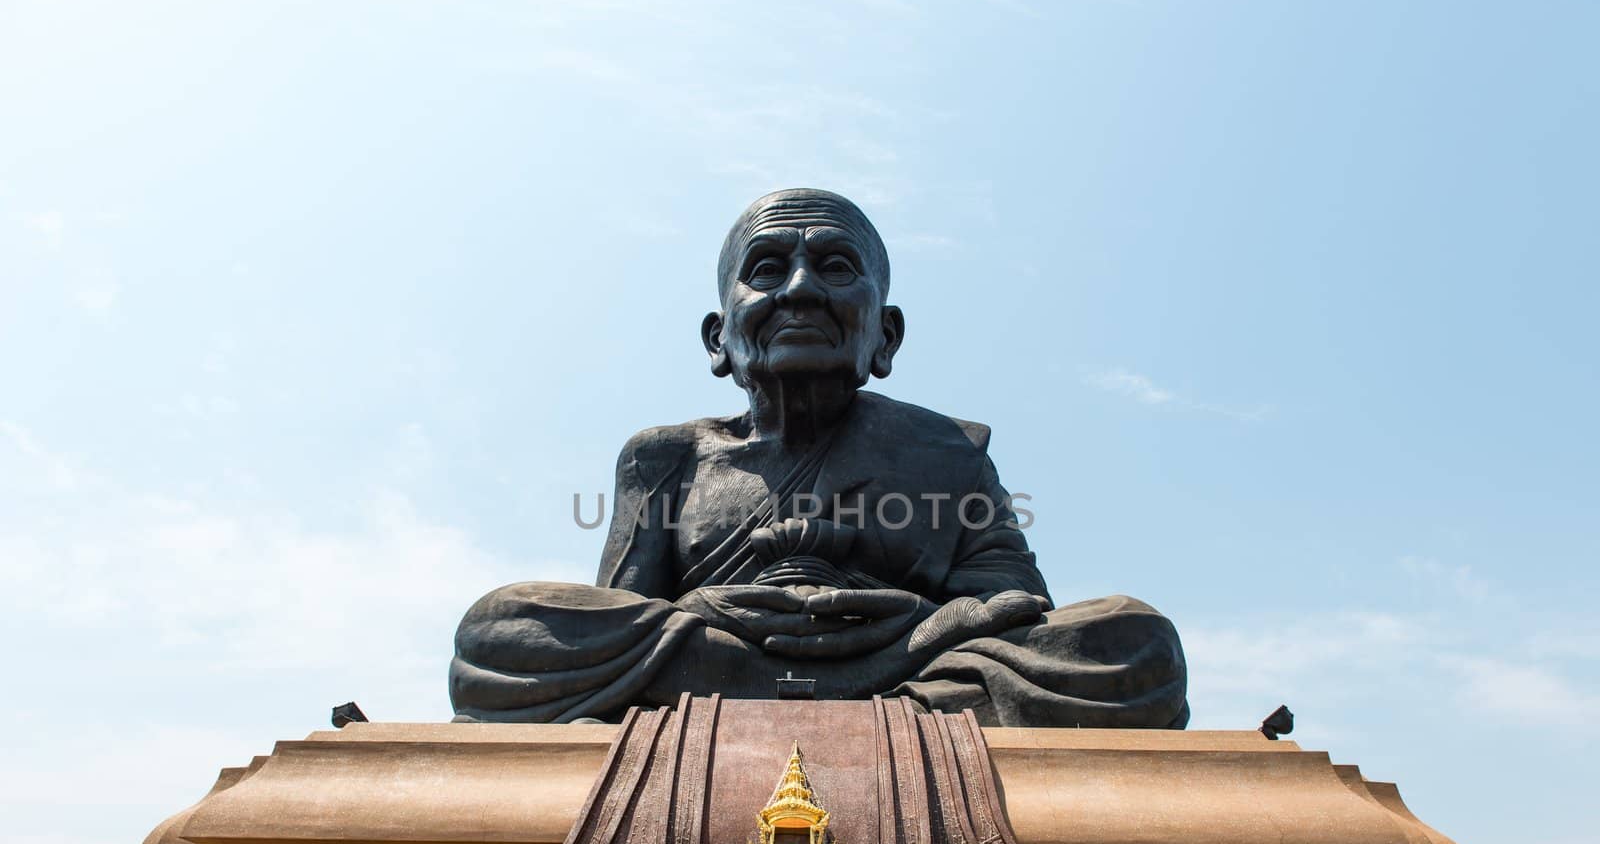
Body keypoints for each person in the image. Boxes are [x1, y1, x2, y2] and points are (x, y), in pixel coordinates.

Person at [450, 189, 1187, 728]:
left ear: (885, 337)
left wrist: (911, 625)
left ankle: (826, 700)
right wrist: (712, 615)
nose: (801, 289)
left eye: (835, 267)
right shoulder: (666, 456)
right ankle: (836, 704)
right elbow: (628, 619)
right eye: (768, 268)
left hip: (903, 667)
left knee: (1131, 640)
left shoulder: (947, 451)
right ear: (719, 338)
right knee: (501, 628)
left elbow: (1011, 610)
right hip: (717, 662)